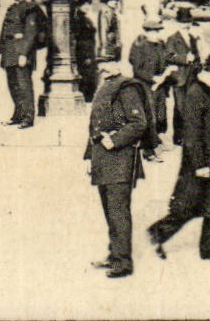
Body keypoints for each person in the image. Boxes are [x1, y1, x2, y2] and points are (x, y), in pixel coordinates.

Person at [148, 52, 210, 262]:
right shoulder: (196, 94)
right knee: (187, 207)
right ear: (206, 73)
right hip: (201, 163)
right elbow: (192, 134)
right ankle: (156, 234)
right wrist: (199, 165)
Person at [85, 60, 152, 278]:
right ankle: (115, 254)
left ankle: (123, 262)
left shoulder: (127, 88)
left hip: (120, 158)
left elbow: (138, 123)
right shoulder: (105, 86)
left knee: (118, 211)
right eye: (102, 65)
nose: (103, 69)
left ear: (117, 66)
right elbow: (96, 124)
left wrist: (114, 140)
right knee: (110, 211)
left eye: (108, 64)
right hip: (103, 159)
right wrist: (88, 155)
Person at [0, 0, 45, 128]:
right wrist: (2, 52)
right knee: (13, 85)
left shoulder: (29, 8)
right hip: (10, 52)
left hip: (21, 53)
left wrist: (24, 53)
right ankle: (18, 115)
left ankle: (28, 117)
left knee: (24, 85)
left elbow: (31, 32)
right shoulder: (12, 8)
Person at [129, 18, 171, 150]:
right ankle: (149, 146)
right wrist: (153, 78)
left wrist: (164, 75)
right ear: (146, 32)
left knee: (161, 114)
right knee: (149, 115)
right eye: (153, 32)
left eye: (158, 32)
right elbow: (137, 70)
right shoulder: (139, 46)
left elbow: (165, 61)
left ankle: (158, 140)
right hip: (145, 85)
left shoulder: (160, 45)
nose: (156, 35)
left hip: (160, 86)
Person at [163, 6, 200, 144]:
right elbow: (168, 56)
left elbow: (197, 56)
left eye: (188, 22)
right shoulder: (172, 39)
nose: (186, 25)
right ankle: (178, 137)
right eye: (183, 22)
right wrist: (185, 59)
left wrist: (197, 66)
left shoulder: (192, 38)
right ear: (178, 23)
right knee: (179, 107)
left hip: (191, 77)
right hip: (179, 78)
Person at [96, 0, 124, 64]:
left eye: (116, 0)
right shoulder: (106, 12)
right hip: (109, 45)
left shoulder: (112, 12)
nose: (115, 2)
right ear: (107, 1)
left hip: (113, 45)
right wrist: (104, 47)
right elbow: (103, 30)